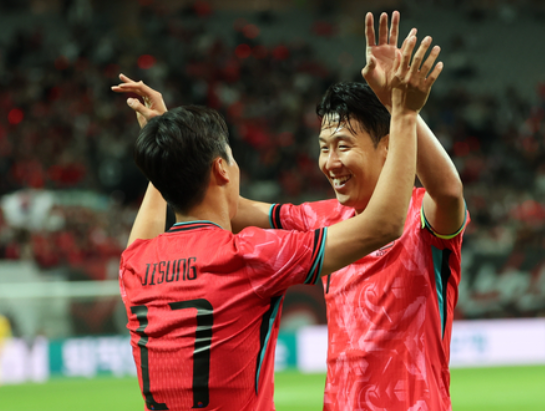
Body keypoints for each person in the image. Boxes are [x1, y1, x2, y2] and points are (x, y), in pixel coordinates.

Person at [114, 32, 442, 410]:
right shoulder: (251, 254)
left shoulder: (134, 264)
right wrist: (403, 113)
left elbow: (161, 194)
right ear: (221, 169)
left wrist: (165, 147)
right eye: (232, 158)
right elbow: (384, 225)